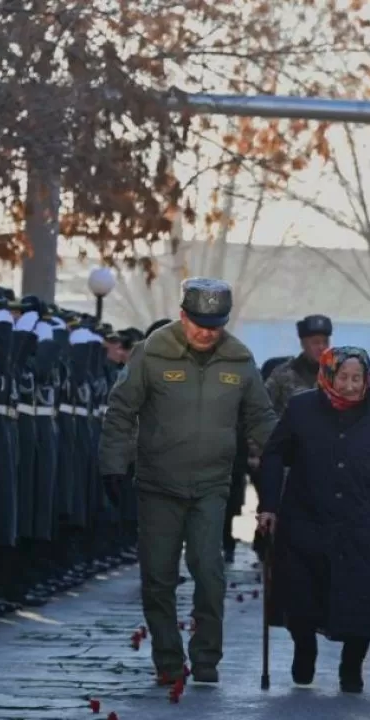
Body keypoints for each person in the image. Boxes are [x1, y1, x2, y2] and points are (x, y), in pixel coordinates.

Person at [99, 277, 277, 685]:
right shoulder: (152, 353)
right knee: (159, 577)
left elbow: (261, 418)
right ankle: (168, 660)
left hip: (212, 486)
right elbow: (121, 410)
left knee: (210, 572)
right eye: (197, 322)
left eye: (213, 325)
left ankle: (207, 658)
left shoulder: (238, 359)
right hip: (158, 484)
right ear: (183, 315)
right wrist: (113, 465)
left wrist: (289, 461)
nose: (204, 332)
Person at [256, 347, 370, 693]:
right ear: (329, 376)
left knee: (360, 602)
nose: (351, 386)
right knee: (302, 599)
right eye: (344, 377)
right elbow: (275, 456)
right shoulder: (301, 408)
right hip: (306, 518)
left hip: (359, 525)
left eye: (358, 378)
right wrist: (269, 506)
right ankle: (303, 650)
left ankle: (352, 666)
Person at [265, 314, 332, 418]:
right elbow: (262, 410)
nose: (321, 347)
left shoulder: (336, 375)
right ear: (303, 344)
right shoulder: (282, 374)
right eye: (315, 342)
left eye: (325, 342)